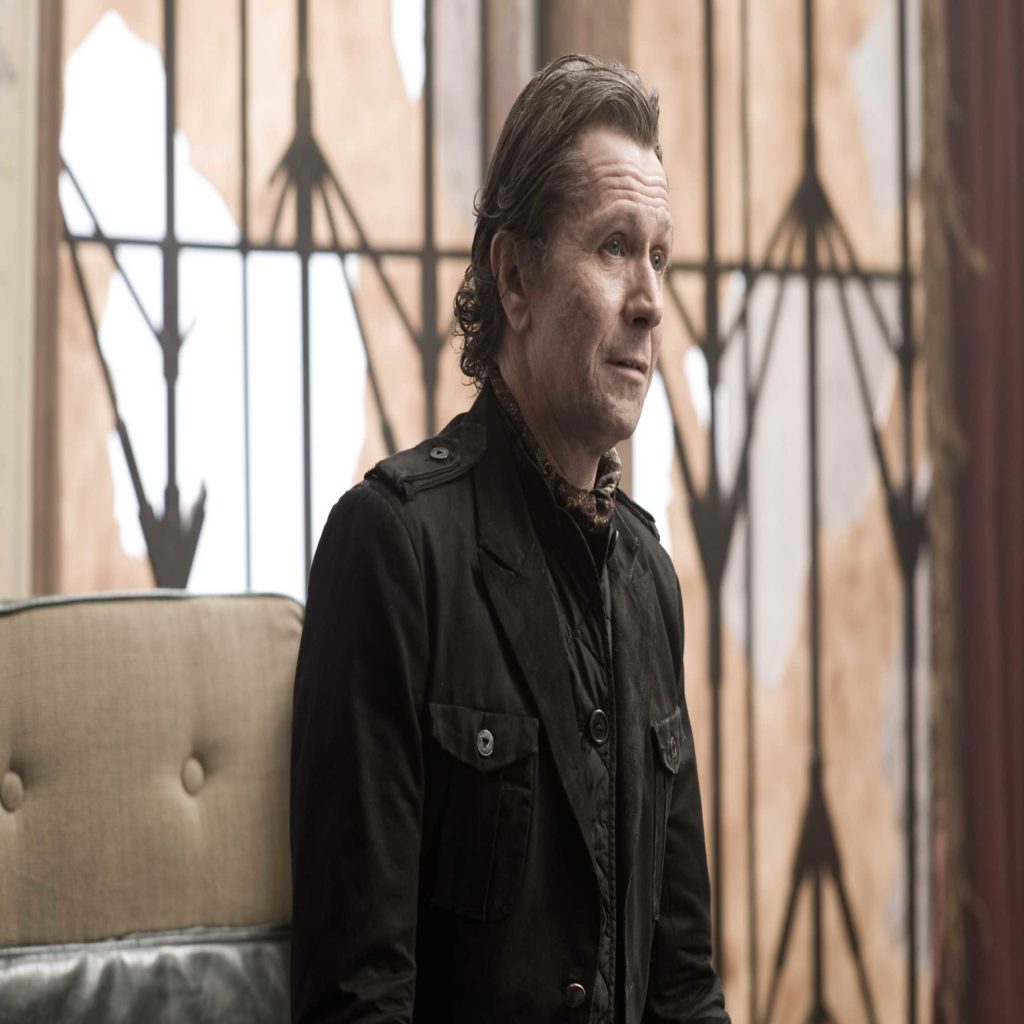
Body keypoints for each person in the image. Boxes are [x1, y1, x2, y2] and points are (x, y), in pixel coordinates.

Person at [290, 53, 729, 1024]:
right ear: (515, 279)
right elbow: (359, 1000)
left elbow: (686, 987)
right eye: (614, 247)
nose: (650, 301)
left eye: (659, 256)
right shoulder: (393, 548)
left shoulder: (649, 578)